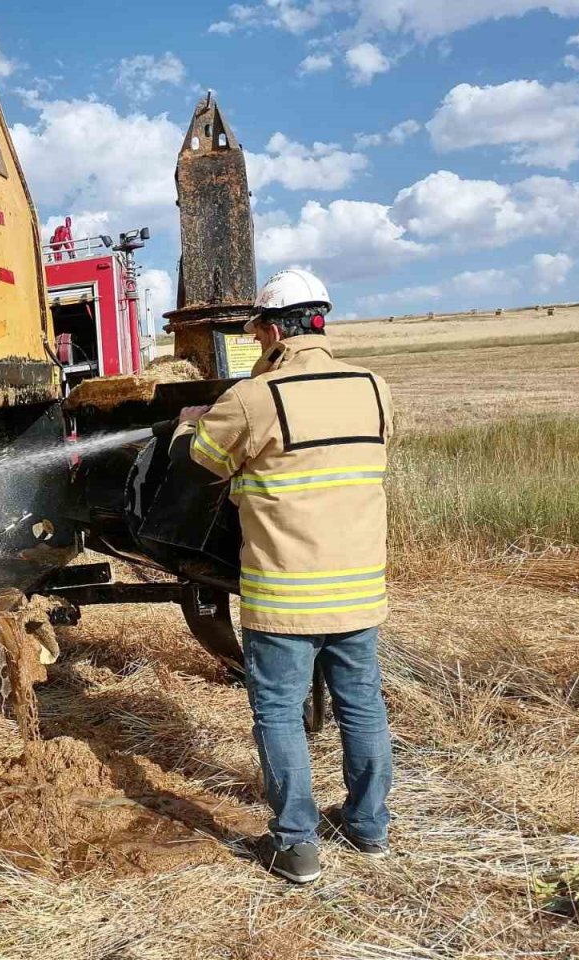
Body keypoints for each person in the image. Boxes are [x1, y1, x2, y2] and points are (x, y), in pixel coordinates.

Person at [177, 268, 394, 884]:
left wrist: (200, 422)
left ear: (272, 331)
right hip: (358, 589)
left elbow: (204, 461)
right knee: (362, 706)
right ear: (321, 321)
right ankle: (369, 827)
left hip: (285, 595)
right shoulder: (375, 387)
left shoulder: (254, 398)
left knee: (276, 711)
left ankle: (296, 846)